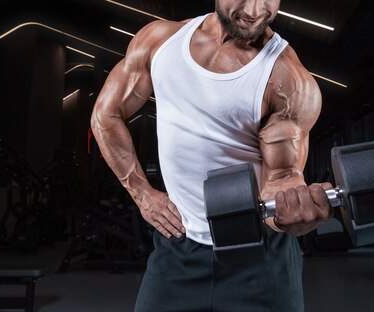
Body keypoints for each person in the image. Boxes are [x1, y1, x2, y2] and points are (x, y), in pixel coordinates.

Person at [91, 0, 333, 310]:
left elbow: (282, 179)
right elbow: (106, 116)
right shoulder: (160, 41)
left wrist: (292, 216)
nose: (255, 10)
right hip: (178, 249)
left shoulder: (287, 79)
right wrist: (143, 196)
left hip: (261, 259)